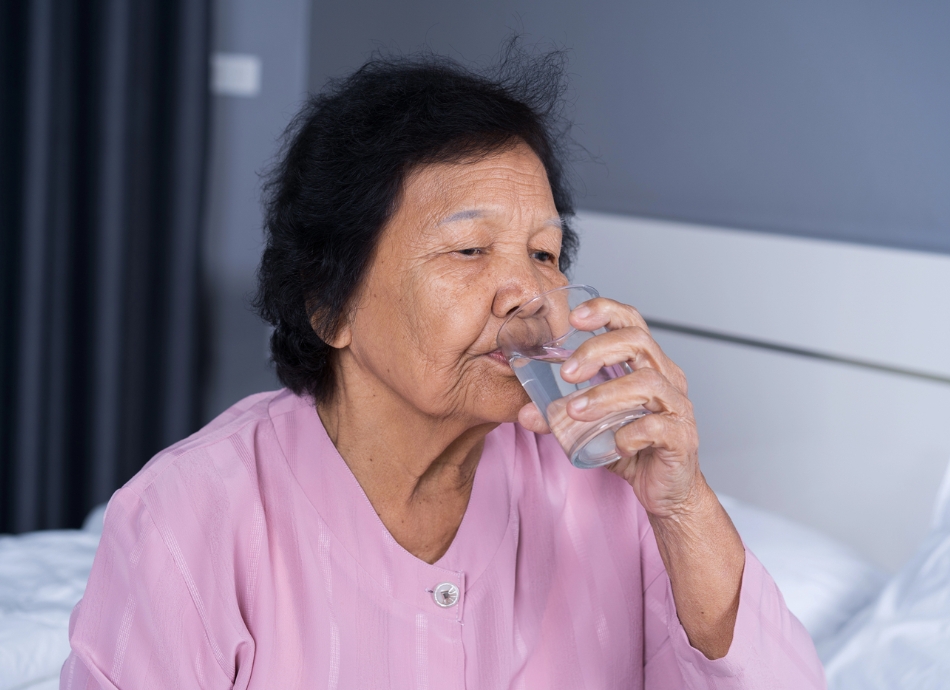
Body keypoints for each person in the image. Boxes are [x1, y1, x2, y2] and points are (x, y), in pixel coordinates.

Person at [62, 46, 825, 689]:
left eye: (545, 255)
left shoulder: (609, 489)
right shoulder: (183, 523)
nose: (528, 290)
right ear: (331, 305)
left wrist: (683, 505)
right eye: (468, 250)